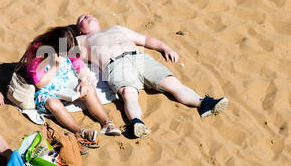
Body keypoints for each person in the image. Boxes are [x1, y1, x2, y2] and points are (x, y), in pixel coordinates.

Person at [74, 14, 229, 138]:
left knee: (172, 83)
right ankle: (136, 122)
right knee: (129, 93)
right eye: (82, 19)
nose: (86, 16)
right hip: (116, 65)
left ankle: (204, 104)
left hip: (140, 58)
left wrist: (165, 48)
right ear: (80, 30)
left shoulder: (116, 28)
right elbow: (69, 54)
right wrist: (82, 77)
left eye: (87, 15)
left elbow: (145, 39)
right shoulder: (81, 40)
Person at [19, 26, 121, 147]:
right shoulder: (37, 51)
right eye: (65, 52)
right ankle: (80, 131)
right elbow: (39, 84)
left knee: (88, 89)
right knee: (53, 104)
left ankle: (106, 123)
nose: (68, 54)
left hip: (65, 79)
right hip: (47, 86)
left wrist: (84, 80)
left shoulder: (67, 43)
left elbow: (79, 65)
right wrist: (55, 66)